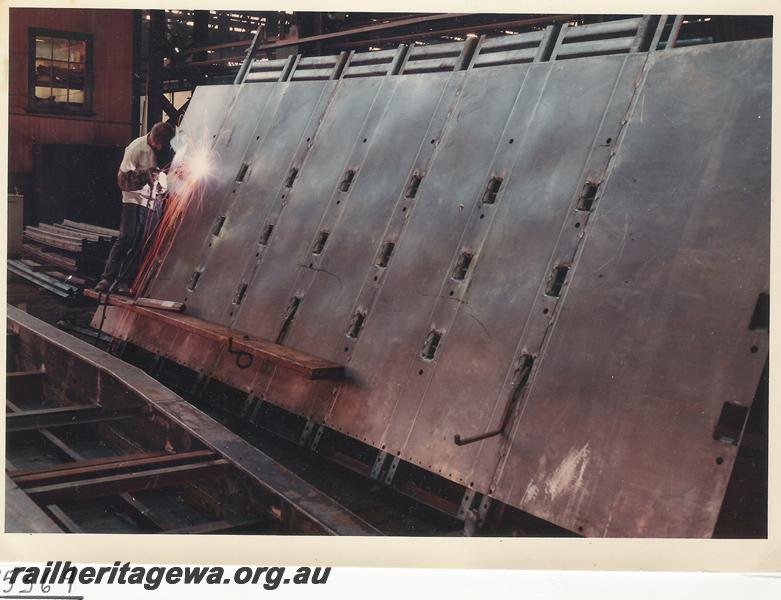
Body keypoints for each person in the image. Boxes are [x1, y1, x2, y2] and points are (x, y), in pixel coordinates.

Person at [95, 122, 176, 294]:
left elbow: (171, 171)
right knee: (127, 238)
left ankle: (123, 281)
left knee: (142, 243)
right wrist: (145, 175)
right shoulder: (135, 149)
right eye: (159, 144)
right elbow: (122, 180)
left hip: (155, 201)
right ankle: (107, 278)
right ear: (155, 141)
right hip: (134, 199)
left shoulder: (167, 150)